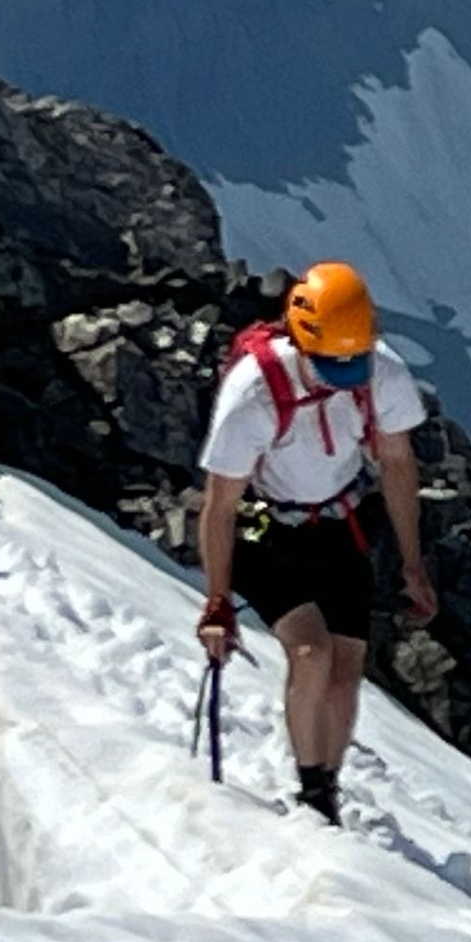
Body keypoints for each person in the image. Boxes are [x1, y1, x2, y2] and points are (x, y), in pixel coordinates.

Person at [194, 260, 437, 825]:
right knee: (313, 652)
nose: (345, 375)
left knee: (347, 666)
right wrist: (217, 601)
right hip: (265, 529)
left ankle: (325, 781)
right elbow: (219, 505)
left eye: (355, 363)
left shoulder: (382, 375)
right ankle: (313, 792)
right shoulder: (253, 392)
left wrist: (412, 563)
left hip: (338, 522)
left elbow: (398, 465)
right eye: (333, 364)